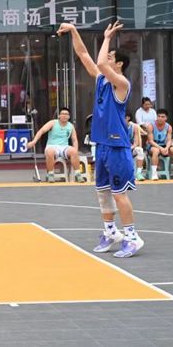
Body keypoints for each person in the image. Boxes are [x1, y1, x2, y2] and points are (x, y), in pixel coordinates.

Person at [58, 21, 143, 258]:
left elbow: (101, 63)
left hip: (117, 147)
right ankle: (111, 232)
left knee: (119, 194)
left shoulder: (122, 84)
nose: (106, 58)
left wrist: (106, 38)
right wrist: (73, 31)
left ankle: (132, 237)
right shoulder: (100, 80)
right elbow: (83, 54)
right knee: (103, 192)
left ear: (119, 64)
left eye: (111, 56)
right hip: (102, 144)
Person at [26, 107, 85, 183]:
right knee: (50, 152)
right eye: (62, 114)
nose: (64, 116)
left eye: (66, 114)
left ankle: (78, 174)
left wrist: (75, 151)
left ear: (69, 117)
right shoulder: (53, 123)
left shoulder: (70, 126)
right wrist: (33, 142)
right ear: (59, 116)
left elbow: (74, 140)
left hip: (64, 147)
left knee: (74, 151)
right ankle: (50, 174)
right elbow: (41, 131)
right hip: (52, 146)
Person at [146, 108, 173, 180]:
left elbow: (169, 140)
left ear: (166, 118)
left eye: (162, 117)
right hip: (153, 146)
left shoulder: (169, 127)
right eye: (159, 116)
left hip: (164, 146)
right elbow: (150, 141)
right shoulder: (150, 126)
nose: (160, 118)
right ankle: (154, 174)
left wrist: (166, 148)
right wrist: (161, 148)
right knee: (156, 150)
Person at [126, 112, 146, 181]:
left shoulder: (134, 127)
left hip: (131, 148)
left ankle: (138, 173)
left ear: (128, 118)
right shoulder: (118, 126)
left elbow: (136, 142)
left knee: (140, 150)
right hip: (121, 149)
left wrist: (131, 147)